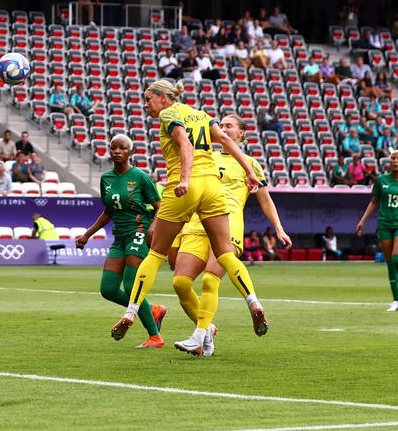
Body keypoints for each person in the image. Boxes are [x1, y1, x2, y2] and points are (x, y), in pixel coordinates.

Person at [111, 79, 267, 345]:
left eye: (148, 98)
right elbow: (227, 140)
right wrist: (250, 172)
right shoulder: (201, 114)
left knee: (156, 253)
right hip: (212, 187)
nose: (145, 104)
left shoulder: (169, 114)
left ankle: (131, 311)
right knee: (225, 253)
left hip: (186, 186)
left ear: (164, 98)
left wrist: (184, 178)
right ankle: (253, 301)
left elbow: (184, 143)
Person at [167, 114, 290, 357]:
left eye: (228, 126)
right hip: (196, 223)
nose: (222, 129)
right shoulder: (204, 157)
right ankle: (208, 329)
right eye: (220, 125)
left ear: (241, 134)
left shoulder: (249, 163)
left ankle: (200, 335)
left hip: (227, 222)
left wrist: (278, 227)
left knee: (209, 281)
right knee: (180, 283)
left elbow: (265, 200)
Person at [75, 134, 166, 349]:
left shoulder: (141, 177)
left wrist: (153, 227)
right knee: (108, 289)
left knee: (130, 284)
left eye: (122, 148)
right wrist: (87, 235)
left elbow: (159, 207)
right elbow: (108, 211)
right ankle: (152, 310)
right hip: (119, 237)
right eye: (113, 147)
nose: (117, 151)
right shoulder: (106, 178)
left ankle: (155, 337)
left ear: (130, 152)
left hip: (139, 231)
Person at [356, 149, 398, 311]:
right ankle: (396, 300)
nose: (395, 161)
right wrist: (362, 221)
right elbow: (374, 202)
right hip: (384, 224)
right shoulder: (381, 180)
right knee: (389, 262)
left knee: (397, 258)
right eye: (393, 158)